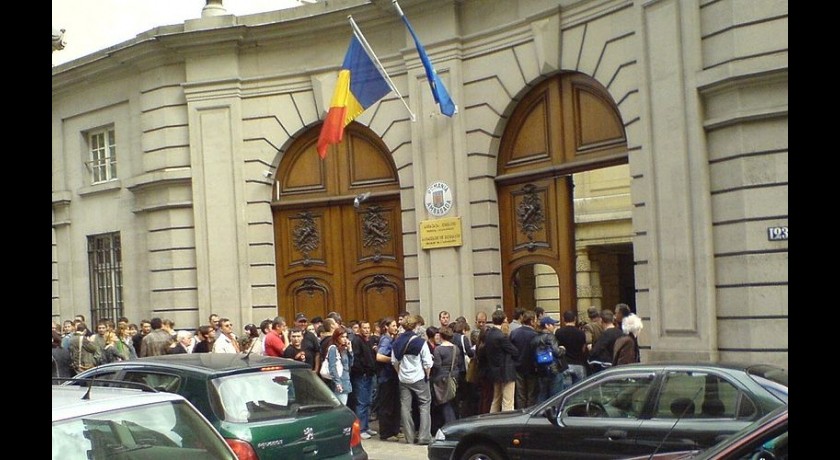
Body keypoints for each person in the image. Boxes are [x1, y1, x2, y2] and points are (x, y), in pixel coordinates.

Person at [391, 315, 434, 445]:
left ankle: (409, 437)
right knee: (425, 405)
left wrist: (400, 373)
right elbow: (427, 363)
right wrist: (427, 375)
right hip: (419, 377)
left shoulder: (397, 342)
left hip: (403, 378)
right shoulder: (420, 342)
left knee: (405, 407)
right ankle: (424, 436)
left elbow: (394, 361)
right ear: (416, 326)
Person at [348, 320, 378, 438]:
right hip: (361, 376)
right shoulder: (356, 341)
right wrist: (363, 371)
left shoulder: (369, 341)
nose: (367, 330)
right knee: (361, 403)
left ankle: (366, 426)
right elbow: (356, 360)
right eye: (364, 328)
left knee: (368, 402)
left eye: (368, 328)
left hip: (369, 375)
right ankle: (360, 429)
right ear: (359, 329)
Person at [485, 309, 519, 413]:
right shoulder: (501, 336)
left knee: (496, 399)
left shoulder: (489, 334)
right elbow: (515, 351)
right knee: (508, 401)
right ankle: (507, 422)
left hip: (494, 370)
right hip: (506, 371)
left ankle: (492, 420)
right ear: (503, 320)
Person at [374, 317, 402, 442]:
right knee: (386, 405)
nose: (396, 328)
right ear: (386, 327)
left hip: (391, 377)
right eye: (394, 325)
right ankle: (386, 432)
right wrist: (393, 361)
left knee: (393, 404)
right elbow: (379, 356)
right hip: (386, 377)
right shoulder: (385, 340)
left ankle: (393, 430)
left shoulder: (391, 339)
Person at [531, 316, 568, 403]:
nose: (554, 326)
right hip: (553, 369)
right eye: (553, 324)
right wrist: (562, 349)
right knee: (556, 396)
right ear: (547, 325)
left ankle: (541, 414)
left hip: (541, 370)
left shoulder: (535, 338)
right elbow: (557, 352)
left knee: (542, 394)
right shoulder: (550, 337)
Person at [430, 325, 460, 431]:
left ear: (441, 336)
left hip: (441, 378)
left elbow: (437, 365)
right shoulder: (456, 348)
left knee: (444, 402)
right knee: (452, 401)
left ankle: (450, 426)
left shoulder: (438, 349)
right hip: (454, 377)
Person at [509, 310, 539, 409]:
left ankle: (521, 413)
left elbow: (511, 350)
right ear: (531, 321)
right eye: (535, 320)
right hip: (532, 368)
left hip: (517, 367)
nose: (536, 322)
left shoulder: (514, 333)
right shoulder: (535, 335)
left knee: (520, 395)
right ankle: (530, 413)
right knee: (531, 394)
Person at [555, 310, 587, 385]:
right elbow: (583, 348)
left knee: (567, 392)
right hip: (579, 363)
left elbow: (557, 348)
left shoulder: (559, 332)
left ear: (563, 319)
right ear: (575, 319)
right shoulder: (581, 333)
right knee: (579, 390)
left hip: (565, 364)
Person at [588, 310, 622, 374]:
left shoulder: (606, 334)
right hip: (619, 366)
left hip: (608, 368)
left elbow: (595, 351)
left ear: (601, 320)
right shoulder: (621, 333)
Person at [326, 326, 354, 405]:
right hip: (339, 382)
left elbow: (350, 364)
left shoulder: (344, 349)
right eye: (342, 337)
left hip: (346, 381)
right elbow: (332, 367)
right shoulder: (333, 348)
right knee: (340, 406)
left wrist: (350, 350)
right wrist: (338, 382)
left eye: (346, 337)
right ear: (337, 338)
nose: (345, 339)